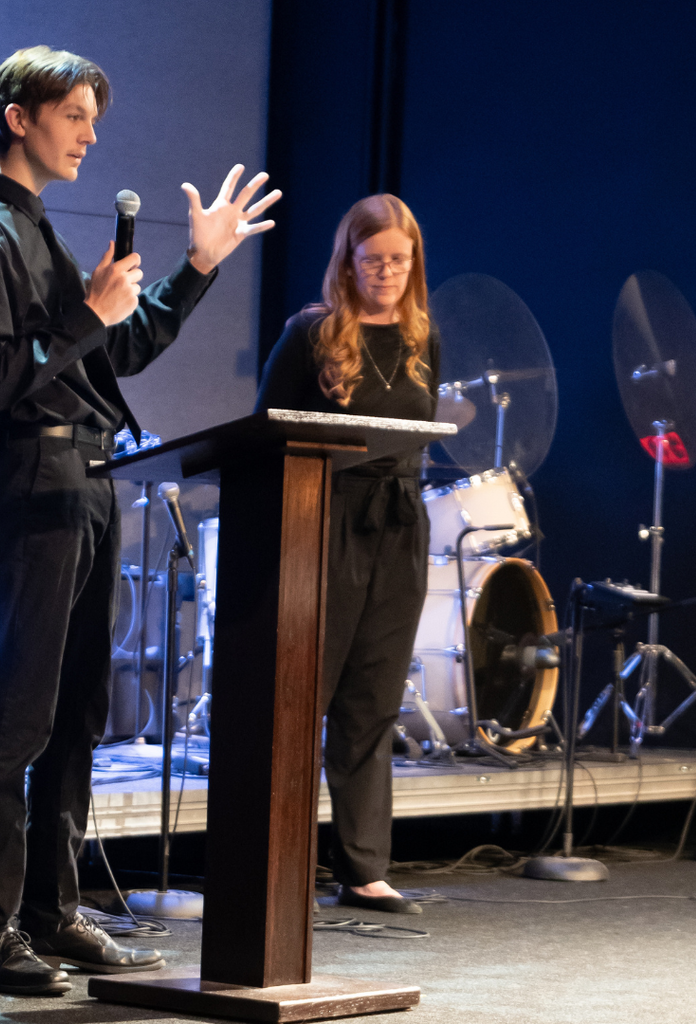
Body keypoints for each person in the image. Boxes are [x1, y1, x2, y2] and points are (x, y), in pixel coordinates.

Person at [0, 45, 280, 995]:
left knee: (79, 714)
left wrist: (198, 268)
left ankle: (52, 910)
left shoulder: (36, 231)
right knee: (20, 713)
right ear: (19, 116)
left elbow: (115, 349)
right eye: (75, 114)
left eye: (93, 118)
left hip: (87, 482)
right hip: (35, 484)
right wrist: (82, 314)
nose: (89, 134)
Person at [254, 194, 438, 915]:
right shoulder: (313, 333)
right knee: (305, 695)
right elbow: (265, 430)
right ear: (349, 261)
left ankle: (363, 869)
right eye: (373, 261)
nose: (387, 273)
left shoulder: (425, 337)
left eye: (399, 260)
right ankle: (278, 863)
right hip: (325, 519)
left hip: (400, 523)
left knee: (373, 699)